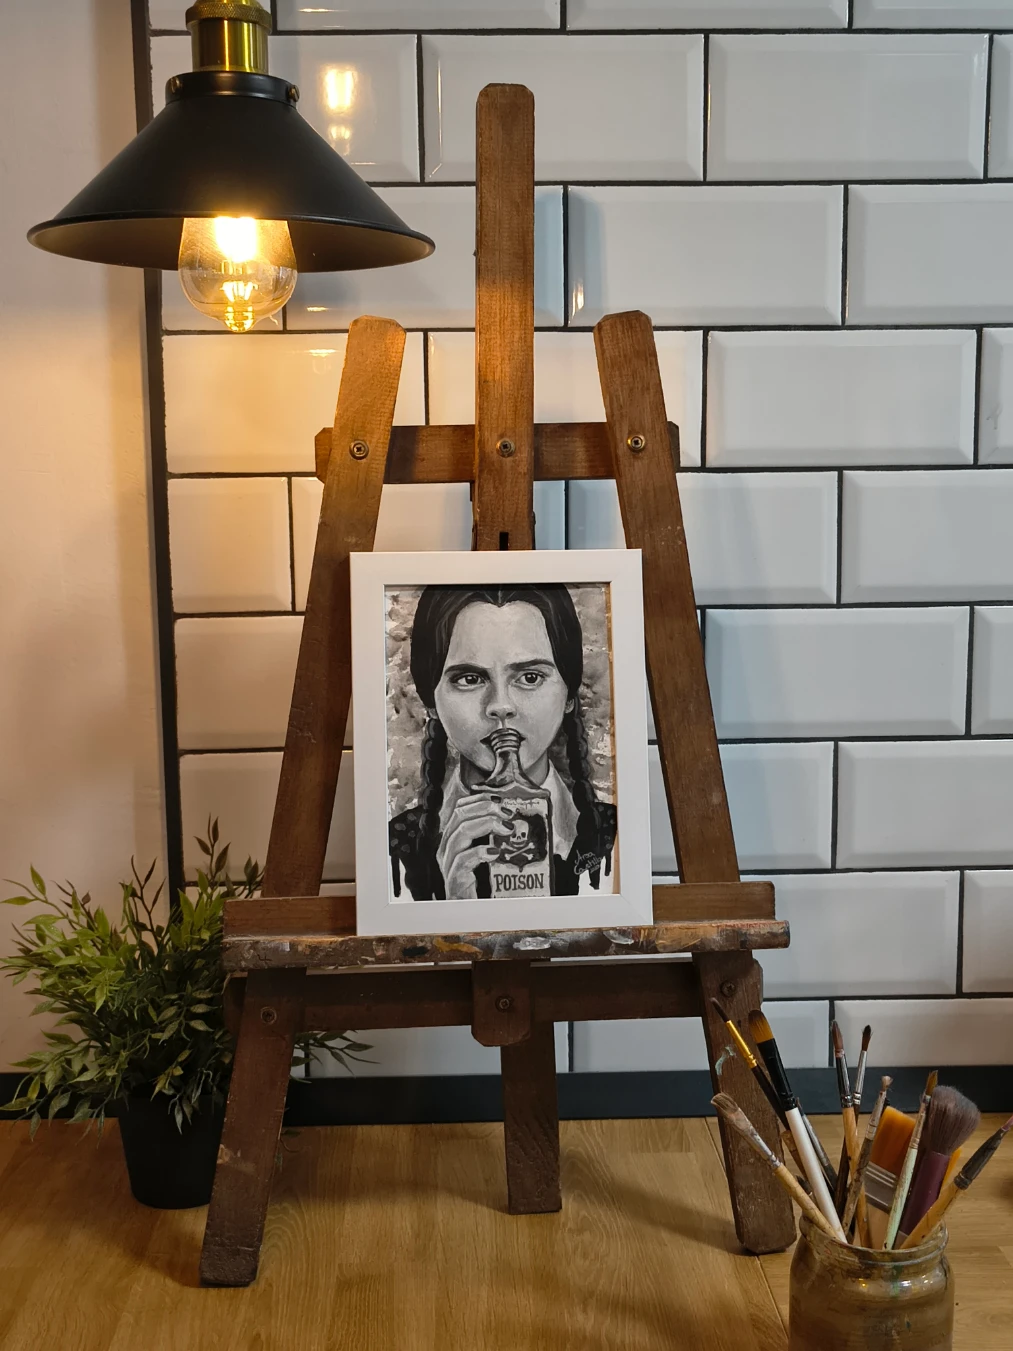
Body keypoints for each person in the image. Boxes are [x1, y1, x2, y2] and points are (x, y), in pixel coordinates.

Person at [388, 583, 617, 902]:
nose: (500, 705)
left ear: (568, 695)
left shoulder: (616, 839)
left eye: (530, 677)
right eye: (469, 679)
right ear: (431, 701)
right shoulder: (396, 850)